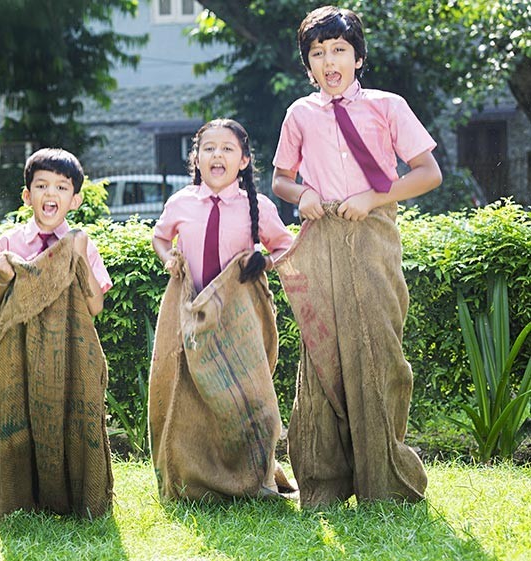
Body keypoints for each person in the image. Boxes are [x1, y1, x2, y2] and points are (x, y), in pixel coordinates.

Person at [271, 6, 442, 507]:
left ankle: (384, 481)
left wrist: (373, 198)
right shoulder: (299, 114)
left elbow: (428, 172)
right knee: (323, 356)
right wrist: (298, 194)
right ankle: (323, 484)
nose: (329, 61)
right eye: (318, 54)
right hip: (319, 238)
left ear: (359, 57)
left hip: (373, 235)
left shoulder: (388, 106)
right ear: (308, 66)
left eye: (339, 50)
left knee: (377, 349)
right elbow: (281, 178)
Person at [148, 118, 297, 502]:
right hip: (192, 312)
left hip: (238, 317)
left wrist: (263, 260)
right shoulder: (181, 202)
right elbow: (160, 236)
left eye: (228, 149)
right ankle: (192, 477)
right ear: (195, 158)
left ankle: (256, 475)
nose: (217, 155)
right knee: (191, 397)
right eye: (208, 148)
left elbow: (284, 245)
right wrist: (169, 258)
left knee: (252, 399)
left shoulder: (258, 205)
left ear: (244, 160)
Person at [0, 148, 114, 520]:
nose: (50, 193)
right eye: (41, 185)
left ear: (76, 198)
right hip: (20, 349)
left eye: (60, 186)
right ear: (27, 196)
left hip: (70, 349)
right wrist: (4, 279)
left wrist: (82, 258)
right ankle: (21, 498)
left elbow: (94, 307)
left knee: (74, 414)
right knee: (17, 415)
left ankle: (77, 498)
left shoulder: (81, 243)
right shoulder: (9, 243)